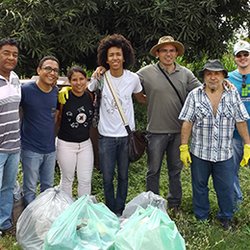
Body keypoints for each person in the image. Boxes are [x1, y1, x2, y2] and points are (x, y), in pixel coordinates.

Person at [179, 59, 250, 230]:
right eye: (209, 73)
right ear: (204, 76)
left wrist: (247, 145)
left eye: (216, 73)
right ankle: (201, 217)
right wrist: (184, 147)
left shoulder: (232, 95)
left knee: (225, 188)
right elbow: (187, 122)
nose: (212, 77)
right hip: (200, 152)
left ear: (223, 76)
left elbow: (240, 121)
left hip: (224, 154)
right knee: (200, 186)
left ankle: (226, 218)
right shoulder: (194, 95)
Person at [136, 36, 201, 212]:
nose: (168, 54)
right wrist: (141, 98)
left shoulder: (185, 73)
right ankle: (152, 205)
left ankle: (174, 205)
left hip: (179, 131)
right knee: (153, 171)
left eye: (172, 50)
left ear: (176, 54)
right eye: (164, 50)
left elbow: (202, 91)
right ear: (157, 53)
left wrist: (223, 83)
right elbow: (129, 84)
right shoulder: (146, 72)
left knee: (175, 171)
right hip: (156, 131)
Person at [20, 55, 59, 206]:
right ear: (39, 70)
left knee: (48, 188)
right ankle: (29, 219)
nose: (52, 72)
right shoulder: (26, 90)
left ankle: (43, 217)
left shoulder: (56, 92)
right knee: (29, 188)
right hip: (30, 149)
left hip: (50, 149)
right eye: (48, 68)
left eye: (55, 70)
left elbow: (55, 115)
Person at [57, 66, 94, 198]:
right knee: (67, 179)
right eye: (74, 80)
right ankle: (66, 211)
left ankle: (82, 210)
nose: (78, 83)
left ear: (86, 79)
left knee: (85, 180)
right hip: (66, 144)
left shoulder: (90, 96)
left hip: (85, 144)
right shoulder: (63, 96)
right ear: (69, 81)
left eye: (81, 79)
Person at [0, 38, 21, 236]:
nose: (11, 57)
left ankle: (5, 224)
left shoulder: (15, 78)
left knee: (7, 187)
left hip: (14, 145)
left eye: (14, 54)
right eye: (6, 53)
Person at [228, 40, 250, 209]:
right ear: (235, 58)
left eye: (246, 54)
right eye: (239, 55)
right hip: (234, 134)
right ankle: (237, 204)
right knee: (231, 170)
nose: (243, 57)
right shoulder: (227, 78)